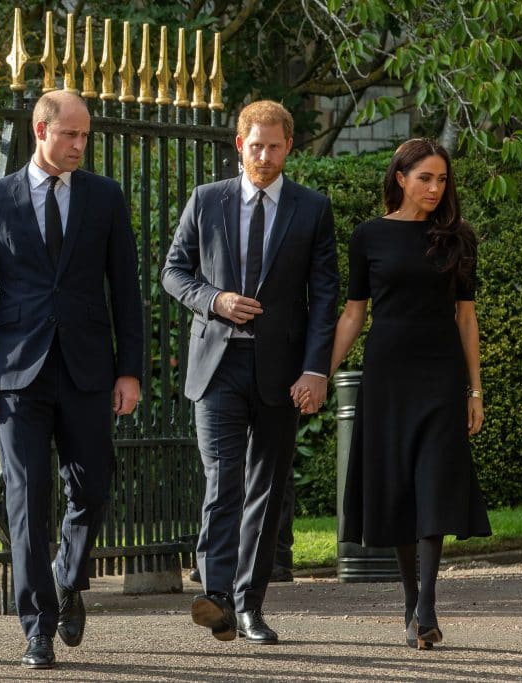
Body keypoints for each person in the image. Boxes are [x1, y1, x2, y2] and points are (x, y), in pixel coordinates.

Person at [0, 91, 144, 669]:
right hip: (18, 373)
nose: (80, 146)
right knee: (26, 496)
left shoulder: (105, 198)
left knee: (91, 489)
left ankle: (68, 576)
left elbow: (126, 291)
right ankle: (36, 626)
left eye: (85, 136)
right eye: (71, 135)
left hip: (88, 367)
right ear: (40, 130)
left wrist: (130, 370)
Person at [162, 100, 339, 644]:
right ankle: (215, 594)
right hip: (217, 365)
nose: (264, 155)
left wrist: (315, 370)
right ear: (239, 145)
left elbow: (325, 294)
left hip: (281, 370)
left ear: (289, 147)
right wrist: (214, 299)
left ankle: (249, 607)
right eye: (255, 145)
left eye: (275, 146)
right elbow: (174, 272)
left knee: (267, 487)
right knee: (224, 480)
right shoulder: (206, 200)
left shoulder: (311, 209)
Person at [322, 138, 491, 650]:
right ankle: (410, 599)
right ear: (401, 177)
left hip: (440, 375)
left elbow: (466, 316)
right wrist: (319, 372)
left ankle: (427, 606)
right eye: (426, 178)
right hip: (387, 373)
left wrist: (475, 389)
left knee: (435, 480)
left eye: (442, 180)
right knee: (395, 482)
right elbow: (354, 311)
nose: (436, 188)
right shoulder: (368, 236)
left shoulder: (458, 238)